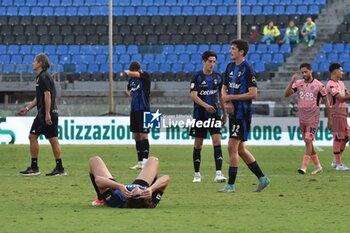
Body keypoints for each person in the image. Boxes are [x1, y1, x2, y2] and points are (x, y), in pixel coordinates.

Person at [219, 39, 270, 192]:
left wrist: (231, 98)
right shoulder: (229, 67)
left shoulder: (248, 69)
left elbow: (253, 94)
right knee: (240, 149)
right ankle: (262, 178)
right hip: (233, 113)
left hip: (242, 114)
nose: (230, 51)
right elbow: (224, 87)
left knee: (231, 147)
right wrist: (226, 100)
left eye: (233, 48)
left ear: (241, 52)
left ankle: (231, 185)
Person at [17, 53, 66, 176]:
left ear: (40, 63)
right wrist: (27, 108)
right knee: (51, 139)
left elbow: (47, 95)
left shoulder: (43, 77)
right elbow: (39, 98)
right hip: (46, 113)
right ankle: (59, 168)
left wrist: (47, 114)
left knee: (34, 136)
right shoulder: (42, 77)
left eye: (35, 61)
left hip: (45, 114)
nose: (33, 63)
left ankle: (35, 168)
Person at [284, 63, 331, 174]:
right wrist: (291, 82)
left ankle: (303, 167)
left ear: (311, 70)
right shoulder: (299, 84)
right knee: (308, 142)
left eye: (306, 72)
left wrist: (330, 119)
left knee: (309, 140)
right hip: (302, 117)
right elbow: (286, 94)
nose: (304, 74)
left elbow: (326, 103)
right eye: (302, 72)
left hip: (313, 118)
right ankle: (318, 166)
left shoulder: (319, 85)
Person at [190, 50, 227, 183]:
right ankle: (197, 175)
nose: (212, 64)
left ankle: (218, 174)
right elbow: (194, 95)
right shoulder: (197, 76)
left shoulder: (218, 77)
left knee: (217, 142)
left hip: (215, 115)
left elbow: (221, 95)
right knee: (198, 144)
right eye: (210, 61)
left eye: (214, 62)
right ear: (204, 62)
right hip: (200, 116)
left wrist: (224, 113)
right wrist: (206, 106)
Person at [89, 156, 170, 208]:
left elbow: (98, 180)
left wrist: (119, 187)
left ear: (130, 196)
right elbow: (166, 178)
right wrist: (152, 189)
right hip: (142, 185)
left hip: (114, 188)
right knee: (154, 160)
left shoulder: (116, 200)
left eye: (136, 191)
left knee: (94, 160)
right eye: (142, 191)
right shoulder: (150, 200)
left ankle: (100, 199)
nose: (137, 188)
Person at [124, 61, 151, 170]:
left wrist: (127, 72)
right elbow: (127, 89)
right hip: (134, 110)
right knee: (136, 135)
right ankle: (140, 162)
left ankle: (145, 161)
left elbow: (130, 74)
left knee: (144, 135)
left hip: (144, 109)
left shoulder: (145, 76)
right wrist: (129, 93)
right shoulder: (132, 81)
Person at [326, 63, 350, 171]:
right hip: (336, 113)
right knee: (338, 138)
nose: (342, 72)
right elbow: (341, 98)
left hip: (343, 113)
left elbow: (347, 95)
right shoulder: (330, 85)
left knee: (346, 137)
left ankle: (336, 161)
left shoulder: (341, 83)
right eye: (341, 70)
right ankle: (339, 164)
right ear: (335, 72)